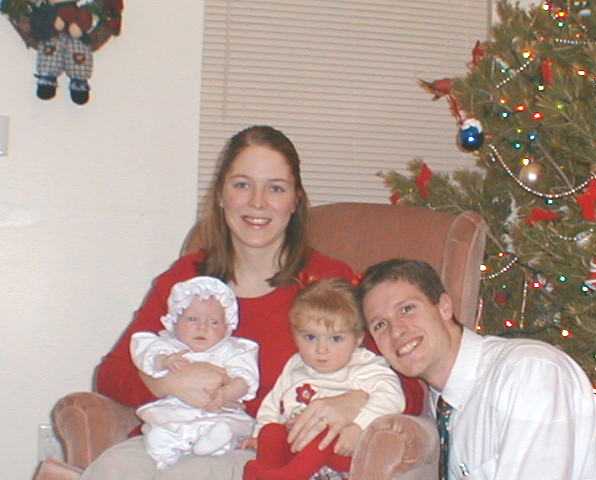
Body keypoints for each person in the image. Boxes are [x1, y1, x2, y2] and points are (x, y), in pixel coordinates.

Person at [81, 126, 424, 480]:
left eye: (275, 188)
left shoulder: (327, 283)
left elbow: (410, 383)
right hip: (174, 444)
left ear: (295, 201)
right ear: (221, 194)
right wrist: (166, 384)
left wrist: (354, 401)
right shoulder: (187, 280)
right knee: (113, 469)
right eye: (242, 185)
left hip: (270, 459)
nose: (257, 202)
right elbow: (111, 373)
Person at [357, 258, 596, 480]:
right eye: (380, 325)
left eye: (407, 309)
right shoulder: (440, 403)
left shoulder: (529, 374)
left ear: (444, 307)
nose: (396, 331)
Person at [243, 278, 404, 480]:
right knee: (271, 432)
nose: (321, 349)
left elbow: (392, 397)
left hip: (339, 449)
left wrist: (359, 426)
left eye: (336, 338)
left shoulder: (364, 366)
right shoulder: (296, 364)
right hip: (294, 444)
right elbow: (273, 402)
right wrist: (259, 434)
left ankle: (287, 476)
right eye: (310, 337)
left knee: (324, 429)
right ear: (294, 334)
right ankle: (270, 470)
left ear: (358, 339)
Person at [131, 276, 259, 469]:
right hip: (177, 408)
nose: (202, 327)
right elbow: (146, 357)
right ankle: (166, 446)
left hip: (218, 410)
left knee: (230, 425)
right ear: (174, 321)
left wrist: (226, 394)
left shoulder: (233, 350)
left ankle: (216, 443)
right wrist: (164, 361)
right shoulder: (168, 345)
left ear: (227, 328)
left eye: (214, 322)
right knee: (164, 422)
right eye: (192, 319)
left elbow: (245, 379)